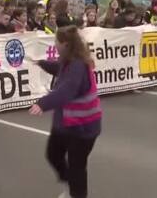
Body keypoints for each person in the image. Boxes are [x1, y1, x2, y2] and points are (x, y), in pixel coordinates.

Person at [29, 25, 101, 198]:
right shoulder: (68, 61)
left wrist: (43, 104)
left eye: (56, 41)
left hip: (83, 127)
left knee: (77, 166)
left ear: (65, 44)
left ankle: (77, 194)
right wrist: (42, 63)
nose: (54, 44)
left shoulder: (78, 65)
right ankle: (71, 183)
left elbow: (67, 91)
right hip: (66, 124)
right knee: (53, 154)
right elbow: (59, 68)